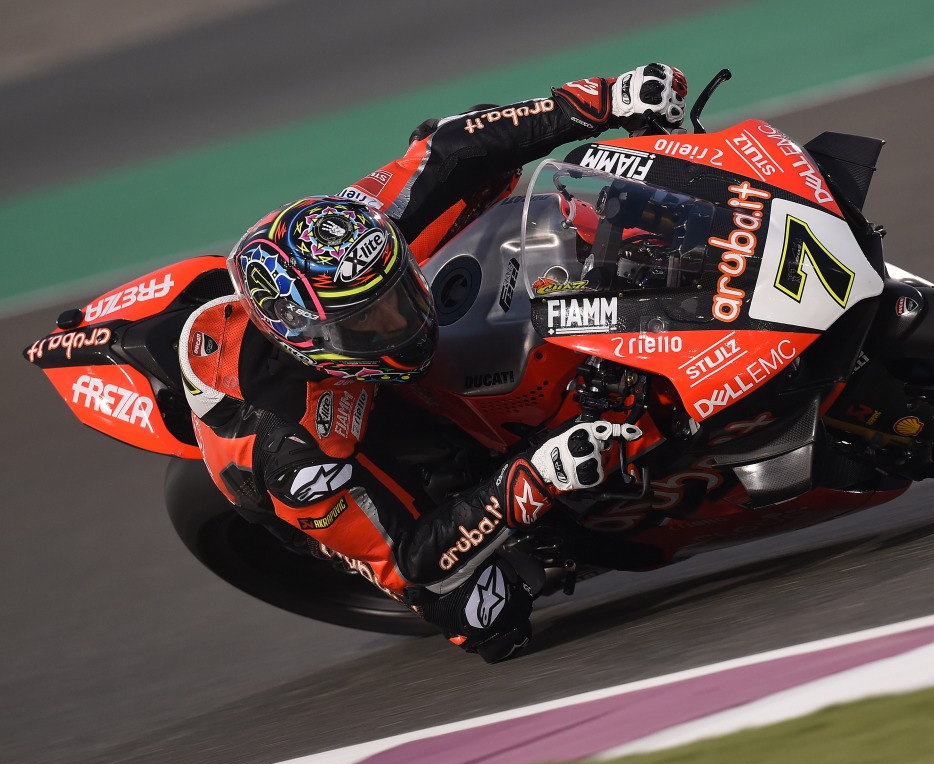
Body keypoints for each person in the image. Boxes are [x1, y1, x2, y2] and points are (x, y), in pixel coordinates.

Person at [179, 64, 688, 662]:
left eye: (397, 293)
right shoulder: (292, 453)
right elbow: (413, 555)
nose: (403, 319)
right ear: (313, 340)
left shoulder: (352, 234)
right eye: (375, 320)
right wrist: (532, 477)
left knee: (485, 177)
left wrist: (603, 102)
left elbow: (448, 146)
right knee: (487, 615)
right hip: (319, 481)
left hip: (324, 323)